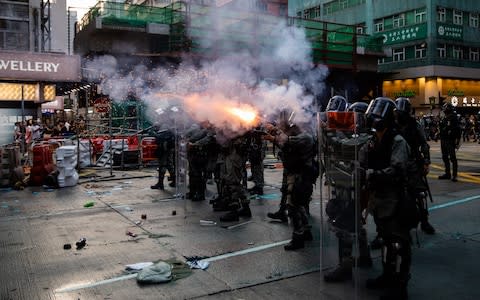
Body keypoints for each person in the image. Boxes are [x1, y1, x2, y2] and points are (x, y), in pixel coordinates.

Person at [363, 97, 416, 300]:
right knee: (385, 238)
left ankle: (401, 285)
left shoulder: (397, 141)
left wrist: (371, 174)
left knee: (399, 242)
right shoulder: (374, 139)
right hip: (380, 197)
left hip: (395, 197)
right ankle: (388, 275)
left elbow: (397, 170)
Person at [323, 100, 373, 282]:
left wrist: (328, 131)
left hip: (353, 188)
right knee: (355, 223)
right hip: (351, 186)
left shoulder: (363, 139)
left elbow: (343, 145)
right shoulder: (361, 136)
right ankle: (365, 256)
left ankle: (345, 266)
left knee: (344, 225)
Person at [264, 111, 317, 250]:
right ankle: (306, 231)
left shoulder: (306, 136)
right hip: (298, 174)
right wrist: (275, 131)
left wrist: (273, 135)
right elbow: (286, 143)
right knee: (299, 205)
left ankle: (298, 237)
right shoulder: (301, 134)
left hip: (301, 175)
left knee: (293, 206)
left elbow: (286, 141)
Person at [394, 97, 435, 235]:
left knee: (419, 194)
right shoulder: (393, 125)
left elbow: (424, 144)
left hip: (413, 163)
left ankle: (424, 221)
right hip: (396, 163)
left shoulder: (415, 125)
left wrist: (426, 161)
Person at [438, 103, 461, 182]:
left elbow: (458, 130)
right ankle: (447, 173)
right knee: (445, 157)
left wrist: (457, 140)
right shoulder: (445, 118)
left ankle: (454, 175)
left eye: (445, 108)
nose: (444, 110)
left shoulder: (454, 117)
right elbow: (442, 128)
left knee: (452, 157)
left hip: (450, 140)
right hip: (444, 139)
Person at [150, 125, 176, 190]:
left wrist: (154, 134)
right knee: (169, 166)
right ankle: (173, 181)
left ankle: (161, 184)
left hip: (165, 149)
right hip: (167, 148)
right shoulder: (168, 126)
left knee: (163, 166)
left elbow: (161, 137)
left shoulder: (167, 127)